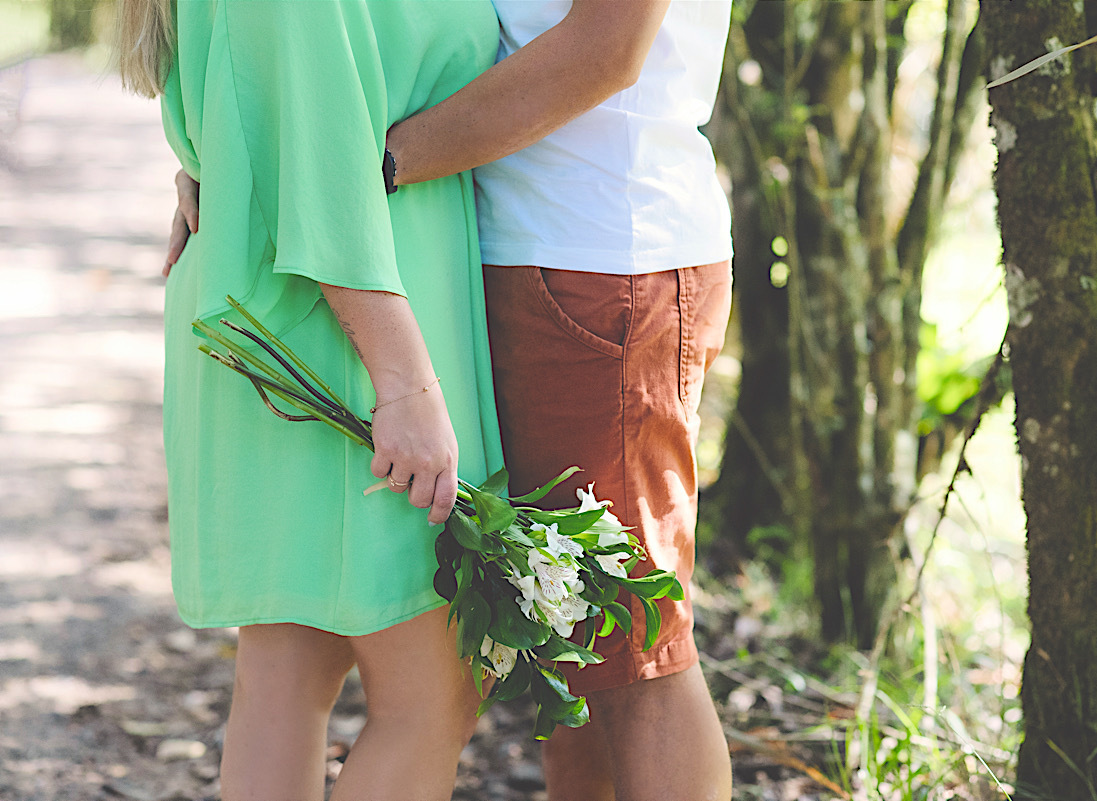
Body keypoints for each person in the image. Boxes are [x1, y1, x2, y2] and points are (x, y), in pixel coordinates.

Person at [167, 2, 736, 799]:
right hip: (445, 269)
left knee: (631, 650)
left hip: (594, 254)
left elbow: (608, 48)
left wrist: (345, 166)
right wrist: (257, 144)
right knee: (565, 644)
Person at [120, 1, 505, 799]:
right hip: (344, 341)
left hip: (298, 314)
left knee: (288, 673)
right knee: (433, 696)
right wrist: (403, 383)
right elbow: (325, 171)